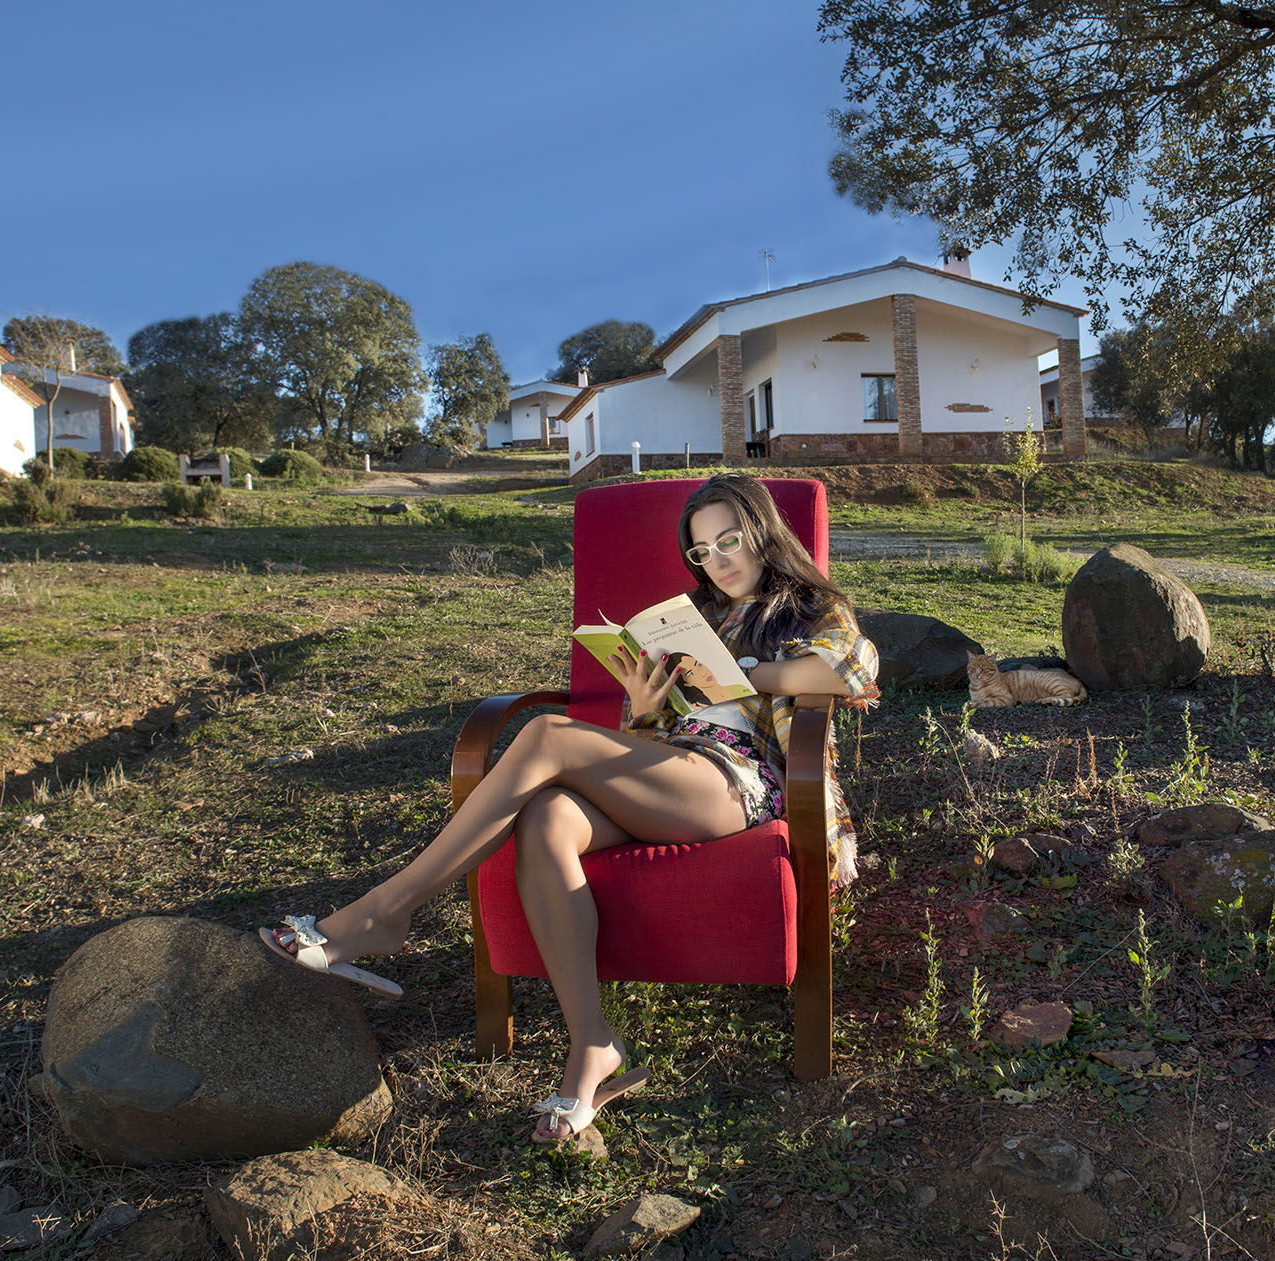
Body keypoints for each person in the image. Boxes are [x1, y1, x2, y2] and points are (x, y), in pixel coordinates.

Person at [261, 472, 879, 1143]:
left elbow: (853, 671)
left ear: (762, 532)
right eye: (702, 550)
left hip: (739, 781)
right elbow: (652, 739)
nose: (719, 559)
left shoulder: (806, 610)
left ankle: (386, 911)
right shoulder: (693, 617)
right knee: (546, 815)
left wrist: (743, 675)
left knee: (544, 733)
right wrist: (646, 708)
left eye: (730, 540)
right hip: (675, 772)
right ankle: (593, 1044)